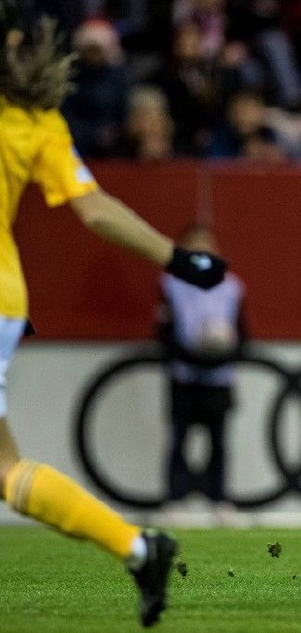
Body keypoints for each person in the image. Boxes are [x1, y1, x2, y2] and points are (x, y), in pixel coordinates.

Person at [0, 8, 226, 628]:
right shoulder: (35, 121)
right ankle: (137, 547)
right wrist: (178, 259)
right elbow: (93, 208)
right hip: (5, 297)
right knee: (5, 470)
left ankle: (139, 547)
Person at [158, 225, 245, 521]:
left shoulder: (231, 287)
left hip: (220, 376)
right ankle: (175, 498)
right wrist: (192, 355)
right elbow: (164, 332)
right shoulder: (171, 285)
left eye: (207, 246)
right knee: (179, 438)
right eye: (195, 248)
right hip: (185, 374)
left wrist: (224, 353)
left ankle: (219, 498)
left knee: (218, 441)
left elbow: (244, 332)